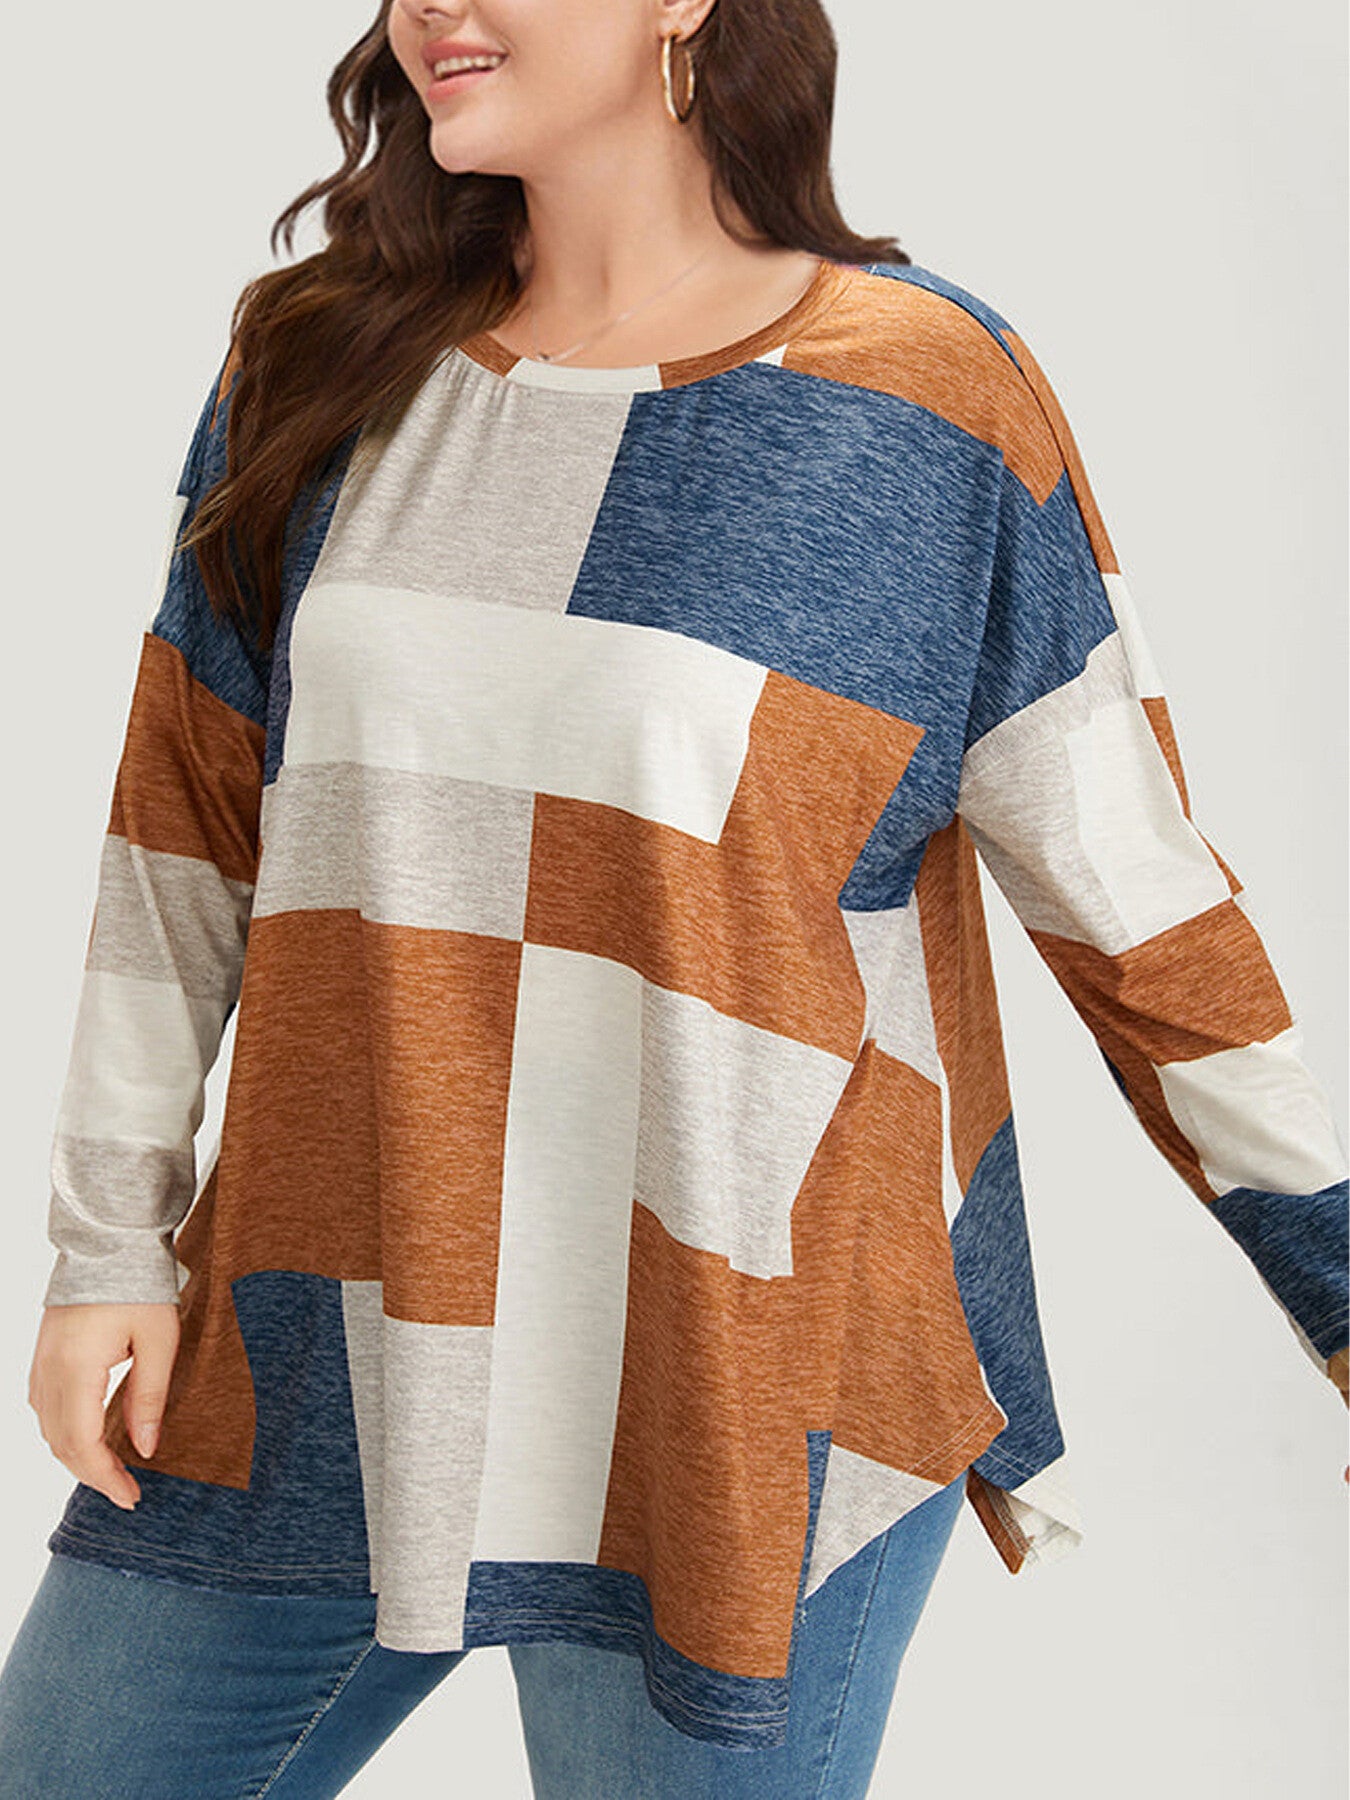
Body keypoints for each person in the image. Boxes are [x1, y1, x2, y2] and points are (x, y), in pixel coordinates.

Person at [1, 0, 1346, 1795]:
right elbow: (179, 837)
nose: (429, 9)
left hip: (736, 1350)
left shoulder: (920, 396)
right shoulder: (317, 359)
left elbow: (1133, 898)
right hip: (330, 1305)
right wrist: (109, 1242)